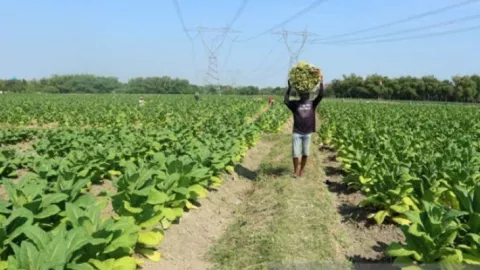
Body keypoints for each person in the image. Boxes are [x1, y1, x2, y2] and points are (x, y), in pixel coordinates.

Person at [284, 76, 324, 178]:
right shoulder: (295, 104)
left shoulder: (312, 103)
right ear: (300, 93)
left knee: (306, 153)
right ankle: (295, 171)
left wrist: (321, 82)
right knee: (295, 153)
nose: (305, 94)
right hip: (297, 131)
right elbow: (286, 101)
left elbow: (320, 95)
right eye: (303, 93)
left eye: (307, 93)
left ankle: (301, 170)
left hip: (308, 132)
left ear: (309, 93)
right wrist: (289, 87)